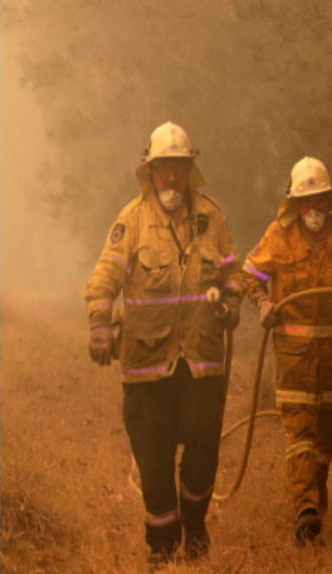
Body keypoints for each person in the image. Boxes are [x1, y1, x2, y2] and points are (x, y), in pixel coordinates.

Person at [84, 121, 244, 568]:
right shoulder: (130, 221)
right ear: (149, 173)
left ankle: (194, 526)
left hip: (201, 364)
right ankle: (163, 547)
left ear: (189, 169)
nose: (170, 178)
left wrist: (232, 303)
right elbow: (103, 280)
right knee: (154, 466)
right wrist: (99, 324)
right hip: (146, 368)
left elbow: (235, 275)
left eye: (178, 167)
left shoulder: (212, 218)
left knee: (202, 455)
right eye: (162, 169)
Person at [241, 156, 332, 545]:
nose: (313, 211)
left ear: (330, 199)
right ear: (294, 205)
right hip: (294, 357)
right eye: (305, 202)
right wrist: (263, 304)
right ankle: (305, 510)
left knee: (324, 443)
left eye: (320, 200)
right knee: (299, 433)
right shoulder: (278, 236)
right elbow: (251, 276)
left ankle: (317, 501)